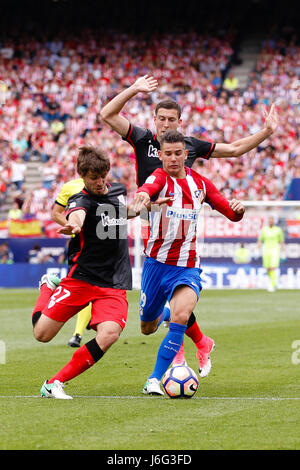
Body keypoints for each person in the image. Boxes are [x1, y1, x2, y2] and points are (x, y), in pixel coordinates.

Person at [100, 74, 278, 375]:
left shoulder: (189, 146)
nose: (166, 124)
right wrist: (133, 89)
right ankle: (199, 341)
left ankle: (176, 359)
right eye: (161, 119)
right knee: (149, 323)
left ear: (179, 122)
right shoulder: (142, 139)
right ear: (154, 120)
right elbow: (107, 114)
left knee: (176, 287)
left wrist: (266, 131)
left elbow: (234, 149)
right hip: (146, 215)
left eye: (171, 120)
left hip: (179, 220)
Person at [133, 130, 245, 395]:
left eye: (177, 154)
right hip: (155, 266)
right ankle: (175, 319)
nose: (173, 159)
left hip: (187, 267)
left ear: (186, 154)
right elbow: (147, 188)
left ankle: (154, 379)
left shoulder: (201, 185)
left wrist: (238, 212)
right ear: (160, 155)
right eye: (167, 154)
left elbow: (229, 212)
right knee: (147, 327)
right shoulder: (159, 178)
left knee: (181, 316)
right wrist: (142, 196)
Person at [31, 145, 132, 399]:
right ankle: (47, 286)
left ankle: (54, 383)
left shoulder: (119, 191)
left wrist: (145, 206)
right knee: (41, 334)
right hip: (81, 279)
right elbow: (77, 215)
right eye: (92, 178)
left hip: (113, 282)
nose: (99, 182)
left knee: (109, 334)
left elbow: (122, 211)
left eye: (102, 176)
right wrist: (73, 225)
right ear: (82, 177)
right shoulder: (80, 199)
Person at [51, 176, 91, 348]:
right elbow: (55, 213)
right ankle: (79, 332)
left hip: (103, 246)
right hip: (80, 246)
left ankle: (78, 332)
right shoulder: (70, 187)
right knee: (84, 288)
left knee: (97, 289)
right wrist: (72, 226)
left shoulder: (105, 186)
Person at [257, 216, 285, 292]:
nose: (270, 221)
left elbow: (282, 241)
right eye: (269, 220)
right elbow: (260, 240)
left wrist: (283, 251)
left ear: (274, 221)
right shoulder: (264, 230)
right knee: (268, 268)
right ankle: (273, 282)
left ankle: (272, 285)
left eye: (272, 220)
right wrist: (257, 250)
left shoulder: (278, 230)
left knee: (273, 267)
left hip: (275, 250)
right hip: (266, 250)